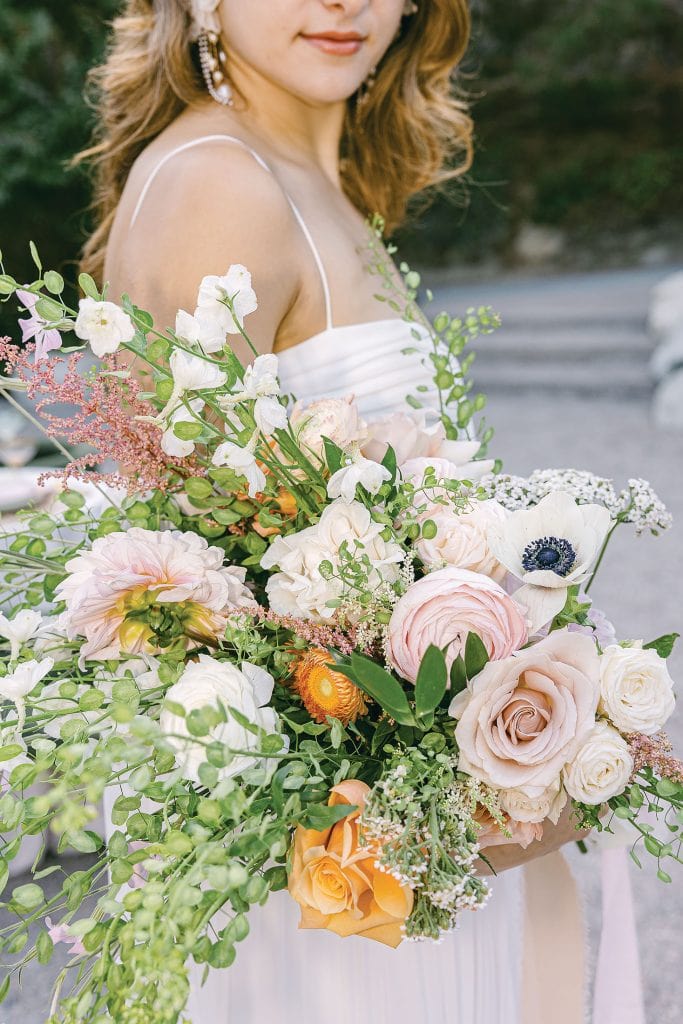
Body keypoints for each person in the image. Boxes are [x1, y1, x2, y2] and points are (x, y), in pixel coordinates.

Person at [81, 2, 594, 1021]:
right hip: (339, 866)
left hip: (390, 842)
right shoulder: (217, 185)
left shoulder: (305, 177)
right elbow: (191, 598)